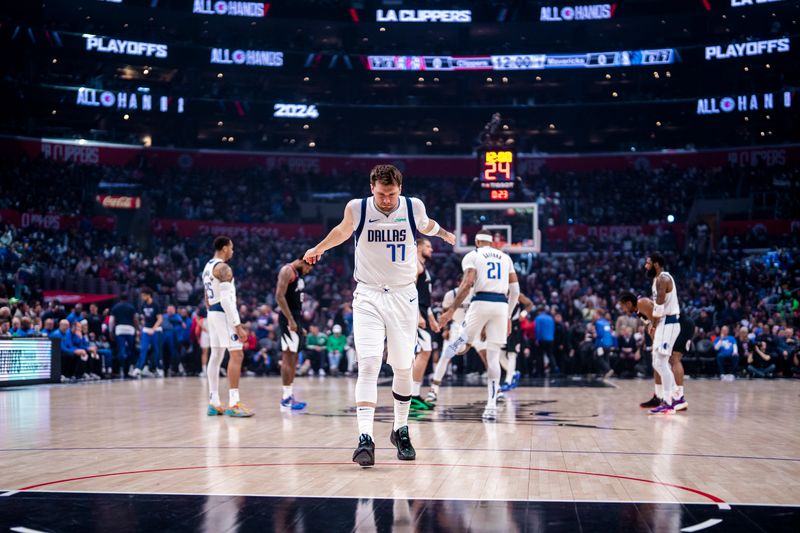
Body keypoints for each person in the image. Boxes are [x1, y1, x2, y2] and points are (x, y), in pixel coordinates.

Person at [303, 163, 454, 467]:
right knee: (369, 363)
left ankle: (400, 430)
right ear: (372, 187)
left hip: (403, 295)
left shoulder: (413, 207)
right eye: (382, 194)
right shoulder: (357, 208)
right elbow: (342, 232)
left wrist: (446, 234)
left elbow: (428, 225)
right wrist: (319, 248)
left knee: (403, 366)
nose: (387, 199)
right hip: (369, 294)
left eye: (392, 194)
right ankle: (365, 438)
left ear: (401, 189)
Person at [438, 229, 520, 421]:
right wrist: (508, 316)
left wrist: (451, 310)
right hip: (501, 305)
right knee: (493, 357)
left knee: (461, 345)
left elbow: (467, 284)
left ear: (476, 241)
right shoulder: (505, 257)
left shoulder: (473, 255)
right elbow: (515, 291)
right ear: (492, 242)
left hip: (480, 301)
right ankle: (491, 406)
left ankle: (461, 342)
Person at [202, 236, 253, 417]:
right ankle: (234, 403)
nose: (233, 251)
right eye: (231, 248)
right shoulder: (223, 268)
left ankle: (214, 402)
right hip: (223, 313)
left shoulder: (207, 266)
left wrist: (212, 315)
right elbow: (225, 300)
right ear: (224, 248)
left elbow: (206, 298)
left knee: (215, 356)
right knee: (237, 353)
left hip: (212, 313)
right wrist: (238, 326)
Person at [644, 253, 682, 414]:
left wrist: (652, 324)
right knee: (657, 362)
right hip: (663, 323)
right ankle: (672, 398)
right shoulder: (656, 279)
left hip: (669, 322)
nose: (646, 266)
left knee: (661, 361)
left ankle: (671, 401)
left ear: (656, 264)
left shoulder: (663, 279)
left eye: (648, 263)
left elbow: (659, 306)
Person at [275, 257, 314, 410]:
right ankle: (285, 398)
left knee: (294, 357)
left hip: (295, 318)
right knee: (288, 356)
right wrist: (290, 320)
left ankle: (289, 396)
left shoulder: (297, 275)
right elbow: (279, 296)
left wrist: (298, 325)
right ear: (303, 261)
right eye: (308, 268)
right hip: (288, 318)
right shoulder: (287, 270)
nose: (308, 271)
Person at [411, 237, 440, 410]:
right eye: (428, 246)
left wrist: (431, 319)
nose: (431, 249)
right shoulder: (414, 265)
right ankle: (412, 395)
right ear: (419, 247)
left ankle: (413, 394)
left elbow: (425, 299)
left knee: (423, 352)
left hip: (421, 310)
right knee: (425, 350)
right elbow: (410, 292)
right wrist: (417, 316)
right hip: (414, 312)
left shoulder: (423, 266)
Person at [500, 293, 533, 391]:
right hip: (501, 326)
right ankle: (514, 373)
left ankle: (508, 381)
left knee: (512, 354)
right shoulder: (497, 291)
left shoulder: (516, 292)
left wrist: (523, 313)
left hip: (514, 326)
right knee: (499, 355)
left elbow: (529, 304)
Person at [133, 288, 163, 378]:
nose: (142, 297)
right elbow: (144, 318)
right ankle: (139, 368)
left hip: (156, 330)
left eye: (143, 295)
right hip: (146, 329)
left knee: (157, 350)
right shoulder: (143, 305)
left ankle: (158, 368)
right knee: (143, 349)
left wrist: (153, 329)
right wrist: (141, 328)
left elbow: (160, 319)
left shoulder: (155, 305)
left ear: (148, 295)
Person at [109, 294, 137, 377]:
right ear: (127, 299)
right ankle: (127, 371)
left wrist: (110, 331)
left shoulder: (115, 307)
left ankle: (118, 368)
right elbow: (135, 319)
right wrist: (138, 329)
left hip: (120, 329)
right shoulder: (131, 307)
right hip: (130, 329)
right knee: (130, 350)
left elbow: (111, 321)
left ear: (120, 299)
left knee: (121, 350)